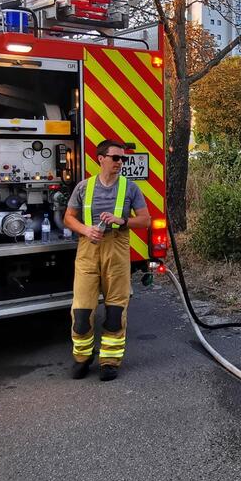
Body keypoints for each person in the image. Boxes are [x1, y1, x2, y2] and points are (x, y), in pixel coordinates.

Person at [64, 140, 152, 381]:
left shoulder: (130, 188)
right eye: (115, 158)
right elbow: (68, 218)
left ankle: (110, 362)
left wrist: (122, 220)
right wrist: (85, 229)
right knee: (81, 312)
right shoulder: (84, 187)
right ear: (101, 158)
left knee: (115, 311)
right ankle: (82, 359)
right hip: (88, 250)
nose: (120, 162)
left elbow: (145, 220)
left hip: (117, 249)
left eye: (122, 159)